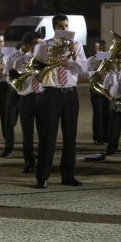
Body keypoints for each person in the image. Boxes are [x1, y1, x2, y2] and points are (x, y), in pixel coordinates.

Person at [33, 15, 87, 188]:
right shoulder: (44, 45)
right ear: (55, 28)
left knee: (70, 136)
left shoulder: (76, 45)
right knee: (48, 136)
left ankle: (68, 175)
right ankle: (43, 176)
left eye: (66, 25)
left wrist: (71, 57)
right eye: (61, 26)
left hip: (70, 92)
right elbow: (36, 68)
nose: (64, 29)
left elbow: (83, 69)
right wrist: (53, 62)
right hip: (52, 93)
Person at [12, 32, 44, 173]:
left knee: (45, 132)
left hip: (43, 97)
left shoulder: (45, 60)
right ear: (27, 45)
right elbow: (12, 79)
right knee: (27, 133)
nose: (38, 46)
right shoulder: (20, 60)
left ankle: (44, 161)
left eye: (40, 43)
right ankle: (29, 161)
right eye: (35, 43)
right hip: (26, 98)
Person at [85, 39, 110, 145]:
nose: (101, 50)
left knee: (108, 113)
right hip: (96, 89)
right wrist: (97, 73)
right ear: (95, 49)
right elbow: (86, 73)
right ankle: (98, 137)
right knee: (98, 113)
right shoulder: (90, 60)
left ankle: (107, 136)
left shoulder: (109, 60)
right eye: (99, 48)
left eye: (103, 48)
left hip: (108, 89)